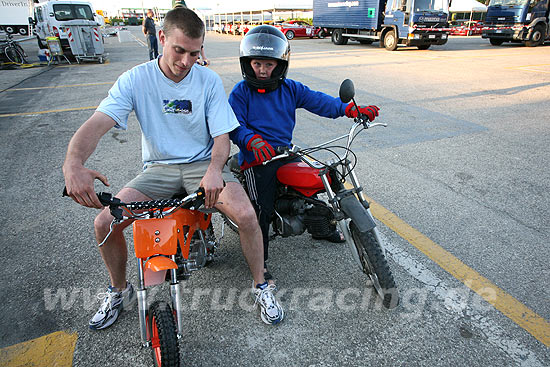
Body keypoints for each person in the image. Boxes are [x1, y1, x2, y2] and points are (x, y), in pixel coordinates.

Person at [63, 8, 283, 329]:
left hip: (201, 165)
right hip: (159, 169)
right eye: (179, 50)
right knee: (104, 224)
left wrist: (214, 169)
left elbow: (222, 137)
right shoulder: (136, 79)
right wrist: (73, 163)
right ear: (162, 39)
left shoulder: (207, 80)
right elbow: (98, 124)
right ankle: (118, 290)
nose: (186, 61)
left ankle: (261, 284)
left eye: (194, 53)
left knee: (247, 216)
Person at [228, 25, 380, 284]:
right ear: (247, 63)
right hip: (256, 160)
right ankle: (260, 262)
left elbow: (320, 101)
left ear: (280, 64)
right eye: (257, 64)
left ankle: (322, 227)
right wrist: (251, 140)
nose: (263, 70)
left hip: (285, 153)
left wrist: (350, 110)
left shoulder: (290, 89)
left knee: (319, 183)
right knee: (259, 212)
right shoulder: (240, 93)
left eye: (269, 64)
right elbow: (233, 126)